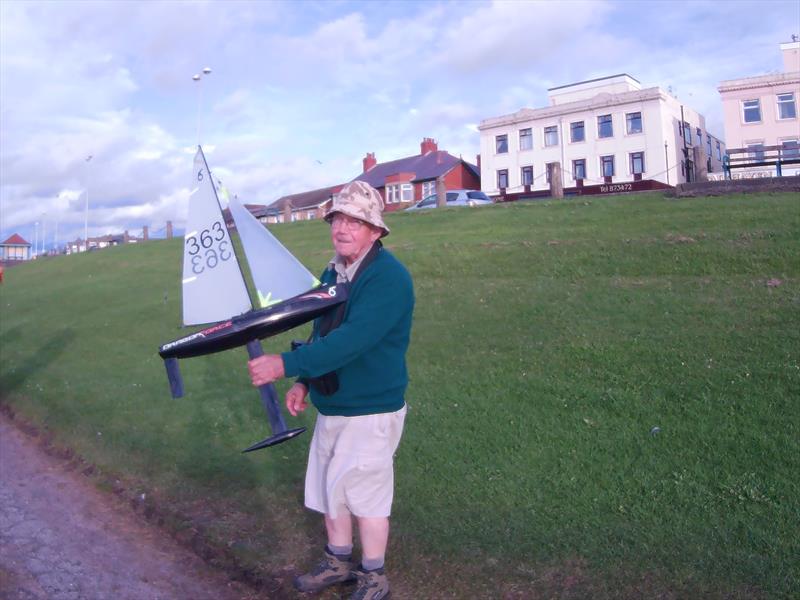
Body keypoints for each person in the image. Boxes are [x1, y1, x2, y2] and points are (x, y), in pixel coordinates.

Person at [248, 180, 414, 600]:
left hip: (370, 409)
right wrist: (304, 381)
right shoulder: (333, 271)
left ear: (375, 231)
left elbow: (353, 341)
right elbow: (323, 331)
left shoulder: (388, 279)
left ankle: (374, 576)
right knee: (330, 491)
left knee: (367, 496)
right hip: (333, 404)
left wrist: (284, 365)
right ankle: (337, 562)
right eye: (337, 219)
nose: (342, 228)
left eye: (354, 222)